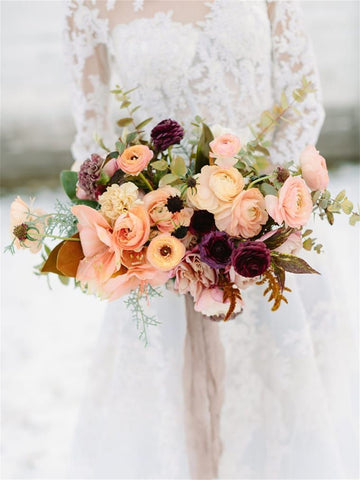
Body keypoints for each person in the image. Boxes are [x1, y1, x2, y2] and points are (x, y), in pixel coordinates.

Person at [64, 1, 356, 478]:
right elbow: (92, 144)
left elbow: (303, 105)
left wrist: (255, 206)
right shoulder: (88, 7)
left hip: (270, 235)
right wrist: (152, 221)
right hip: (161, 248)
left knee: (285, 408)